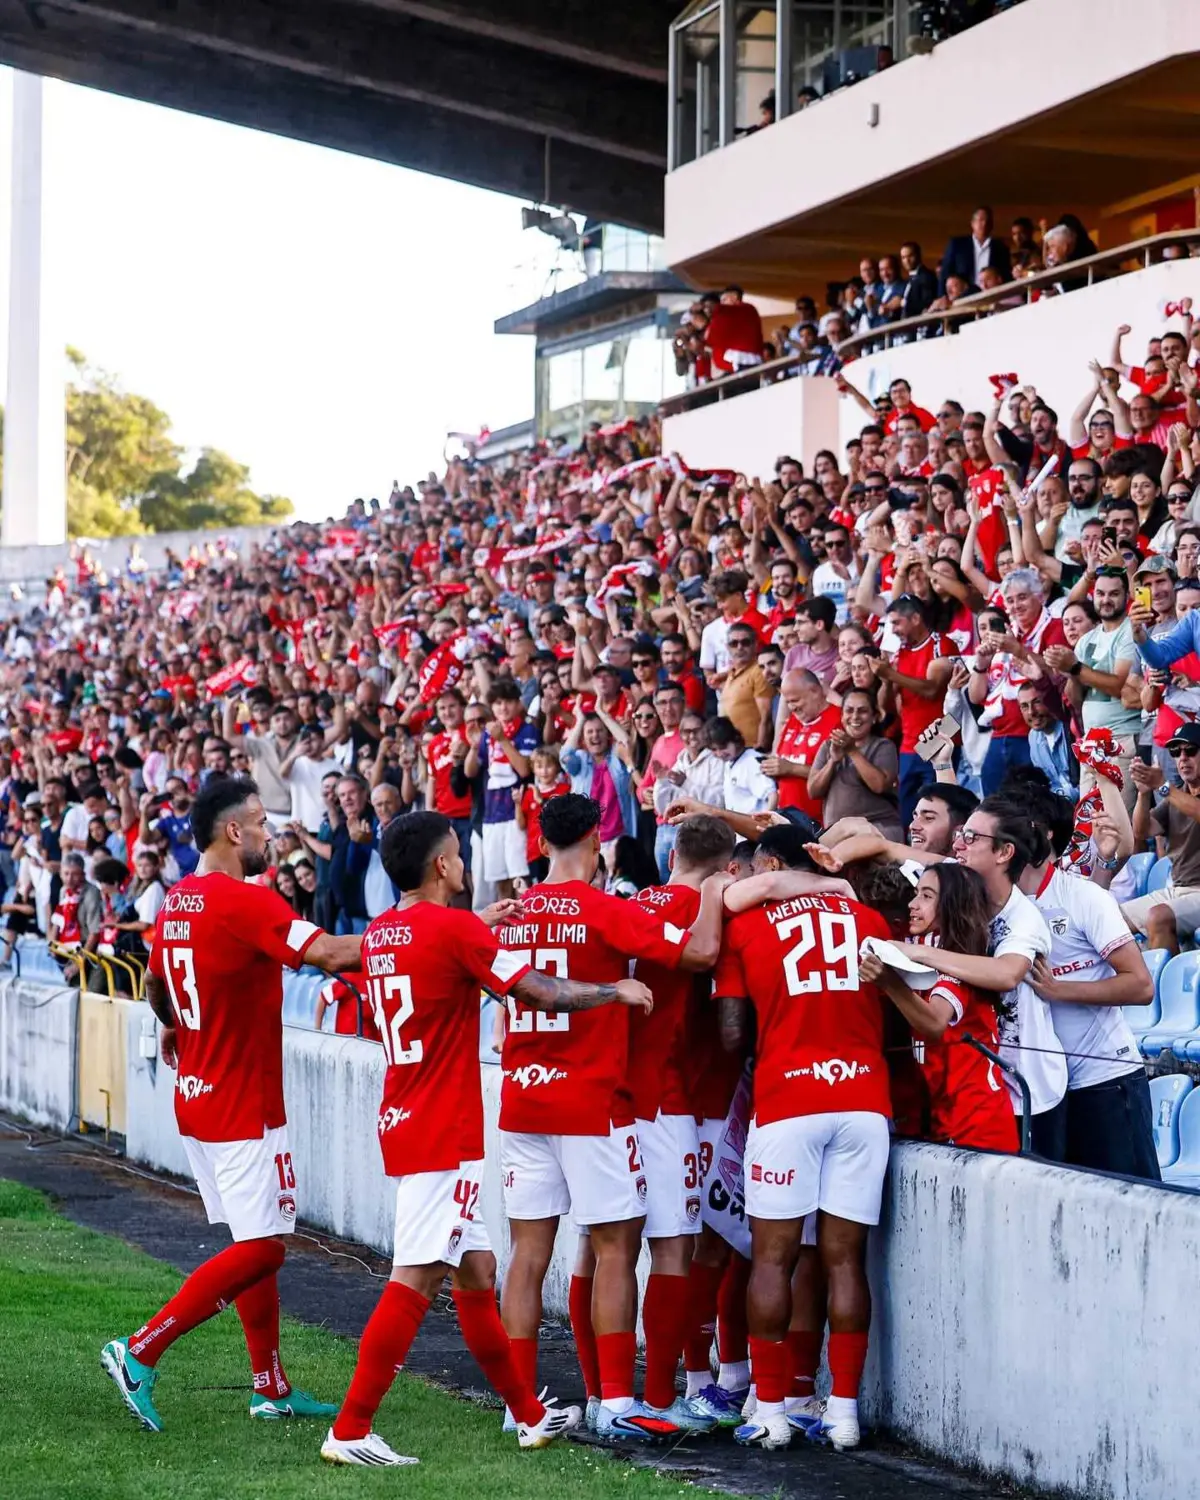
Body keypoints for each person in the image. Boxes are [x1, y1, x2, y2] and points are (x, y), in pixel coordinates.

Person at [322, 811, 660, 1464]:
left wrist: (480, 928)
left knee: (477, 1273)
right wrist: (612, 989)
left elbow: (435, 959)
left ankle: (527, 1416)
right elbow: (539, 992)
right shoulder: (453, 929)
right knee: (415, 1279)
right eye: (459, 853)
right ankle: (352, 1426)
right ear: (443, 866)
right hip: (442, 1128)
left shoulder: (388, 931)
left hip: (405, 1111)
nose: (466, 862)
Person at [101, 775, 363, 1434]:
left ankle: (270, 1387)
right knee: (268, 1249)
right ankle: (140, 1349)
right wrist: (425, 933)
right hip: (244, 1101)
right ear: (234, 832)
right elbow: (329, 952)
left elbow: (158, 983)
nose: (270, 833)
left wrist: (172, 1025)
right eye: (261, 822)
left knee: (253, 1238)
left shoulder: (179, 898)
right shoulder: (246, 900)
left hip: (197, 1095)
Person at [495, 794, 729, 1443]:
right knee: (617, 1246)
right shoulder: (604, 909)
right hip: (592, 1102)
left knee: (527, 1255)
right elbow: (698, 956)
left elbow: (501, 993)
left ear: (540, 841)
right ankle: (617, 1402)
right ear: (597, 839)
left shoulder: (512, 915)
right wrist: (713, 890)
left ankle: (520, 1403)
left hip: (521, 1096)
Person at [713, 823, 893, 1452]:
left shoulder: (747, 926)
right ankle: (842, 1412)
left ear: (769, 867)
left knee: (772, 1257)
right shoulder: (867, 917)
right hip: (864, 1098)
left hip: (789, 1096)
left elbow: (733, 1035)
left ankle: (770, 1411)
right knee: (845, 1260)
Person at [624, 815, 738, 1432]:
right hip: (685, 1098)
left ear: (671, 854)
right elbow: (710, 964)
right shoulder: (713, 906)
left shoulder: (636, 900)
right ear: (726, 864)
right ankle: (670, 1393)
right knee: (684, 1246)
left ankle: (613, 1393)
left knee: (611, 1248)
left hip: (626, 1097)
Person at [862, 863, 1018, 1152]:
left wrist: (888, 983)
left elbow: (935, 1024)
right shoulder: (919, 949)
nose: (913, 904)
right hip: (942, 1115)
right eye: (916, 893)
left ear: (951, 904)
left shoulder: (959, 959)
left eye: (926, 896)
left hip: (978, 1121)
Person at [870, 595, 955, 827]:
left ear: (915, 618)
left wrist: (891, 675)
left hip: (940, 738)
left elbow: (931, 690)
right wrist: (886, 681)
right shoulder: (900, 653)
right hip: (909, 743)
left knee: (937, 811)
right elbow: (884, 707)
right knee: (908, 816)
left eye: (897, 623)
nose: (894, 630)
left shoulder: (941, 644)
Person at [1124, 723, 1200, 953]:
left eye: (1191, 751)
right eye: (1176, 753)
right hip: (1177, 889)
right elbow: (1141, 832)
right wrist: (1144, 794)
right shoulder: (1175, 796)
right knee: (1112, 922)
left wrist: (1163, 786)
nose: (1183, 758)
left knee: (1158, 917)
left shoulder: (1173, 793)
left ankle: (1159, 990)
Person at [806, 688, 902, 839]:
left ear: (875, 717)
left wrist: (852, 751)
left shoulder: (884, 746)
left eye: (862, 711)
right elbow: (813, 791)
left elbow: (879, 786)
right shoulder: (828, 746)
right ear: (842, 716)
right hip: (837, 832)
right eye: (849, 711)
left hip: (878, 830)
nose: (855, 717)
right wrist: (833, 761)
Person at [938, 206, 1012, 296]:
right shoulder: (957, 245)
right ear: (972, 223)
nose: (984, 224)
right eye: (980, 220)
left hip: (991, 297)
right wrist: (942, 297)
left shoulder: (1001, 248)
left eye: (987, 221)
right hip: (963, 298)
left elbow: (1005, 276)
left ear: (992, 225)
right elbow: (945, 273)